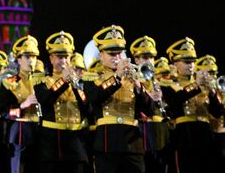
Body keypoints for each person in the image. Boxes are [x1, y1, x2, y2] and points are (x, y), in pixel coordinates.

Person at [82, 25, 154, 173]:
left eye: (119, 53)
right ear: (101, 55)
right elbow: (94, 99)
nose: (117, 57)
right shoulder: (92, 77)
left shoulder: (134, 76)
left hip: (133, 145)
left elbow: (150, 110)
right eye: (112, 53)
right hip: (108, 143)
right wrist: (117, 77)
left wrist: (139, 87)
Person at [162, 38, 222, 173]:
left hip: (206, 137)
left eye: (193, 62)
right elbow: (174, 101)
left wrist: (212, 93)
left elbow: (217, 112)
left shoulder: (203, 85)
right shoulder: (168, 84)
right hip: (185, 138)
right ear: (175, 63)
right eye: (187, 62)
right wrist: (197, 86)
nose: (191, 65)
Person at [34, 31, 88, 173]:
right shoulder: (42, 80)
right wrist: (63, 80)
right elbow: (45, 100)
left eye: (66, 57)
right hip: (51, 146)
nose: (63, 61)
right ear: (51, 58)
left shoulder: (78, 82)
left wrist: (75, 85)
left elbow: (87, 109)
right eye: (59, 57)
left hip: (76, 146)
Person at [0, 35, 43, 173]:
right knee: (18, 168)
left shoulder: (42, 81)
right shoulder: (9, 83)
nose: (31, 60)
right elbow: (4, 112)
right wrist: (22, 106)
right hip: (20, 130)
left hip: (40, 129)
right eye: (27, 57)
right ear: (18, 59)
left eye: (34, 57)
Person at [129, 36, 169, 173]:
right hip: (141, 133)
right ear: (136, 60)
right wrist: (146, 97)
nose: (149, 60)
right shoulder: (131, 80)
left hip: (159, 134)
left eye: (151, 57)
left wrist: (162, 101)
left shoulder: (158, 81)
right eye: (144, 57)